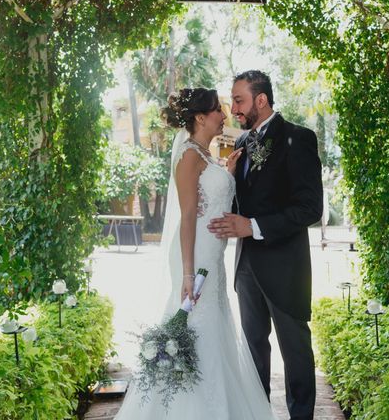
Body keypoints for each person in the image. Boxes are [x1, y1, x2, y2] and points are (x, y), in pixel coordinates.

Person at [115, 87, 277, 420]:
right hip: (197, 256)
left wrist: (228, 174)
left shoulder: (205, 154)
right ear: (201, 118)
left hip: (211, 258)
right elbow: (188, 216)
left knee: (212, 329)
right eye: (218, 110)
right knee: (197, 324)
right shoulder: (189, 155)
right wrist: (188, 273)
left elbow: (211, 197)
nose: (224, 114)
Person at [208, 71, 323, 420]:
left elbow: (310, 208)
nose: (233, 108)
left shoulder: (298, 138)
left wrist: (253, 226)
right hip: (246, 269)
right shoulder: (241, 142)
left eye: (239, 100)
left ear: (261, 100)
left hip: (285, 270)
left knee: (296, 354)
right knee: (253, 354)